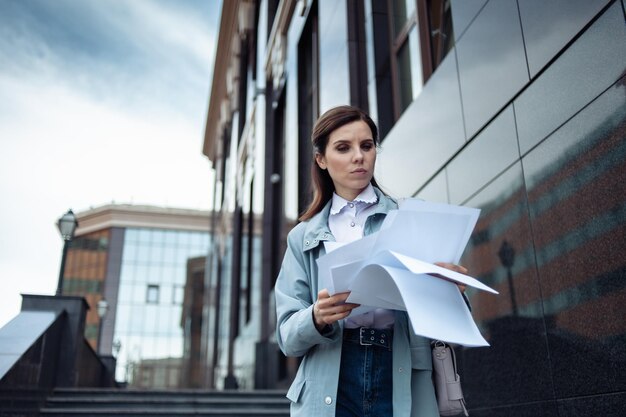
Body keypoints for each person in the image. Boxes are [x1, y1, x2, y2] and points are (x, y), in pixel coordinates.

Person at [274, 105, 468, 417]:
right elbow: (286, 337)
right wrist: (316, 316)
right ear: (321, 159)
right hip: (333, 377)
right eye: (343, 148)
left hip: (400, 369)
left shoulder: (410, 218)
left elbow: (451, 330)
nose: (358, 157)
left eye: (366, 146)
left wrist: (451, 291)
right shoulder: (302, 238)